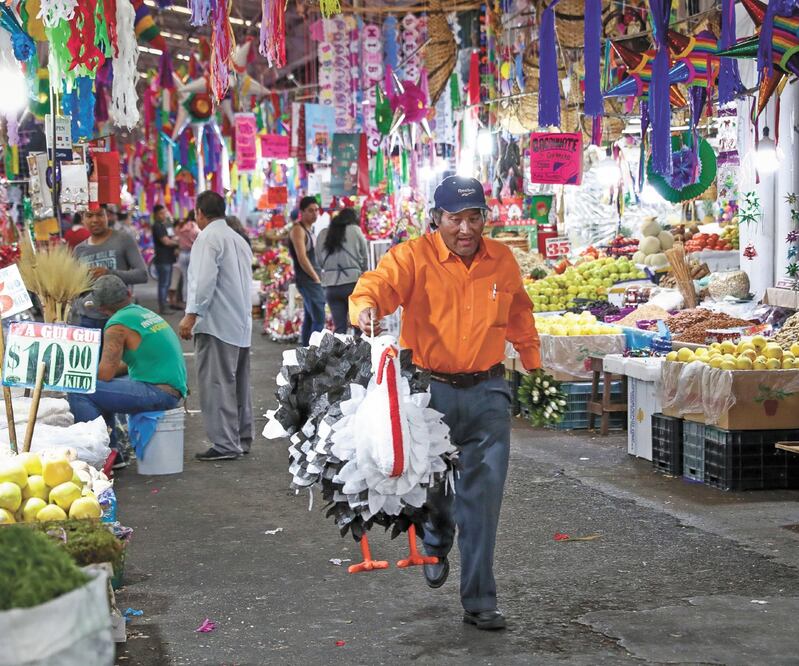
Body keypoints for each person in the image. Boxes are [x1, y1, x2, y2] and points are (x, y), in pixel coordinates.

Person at [349, 176, 541, 631]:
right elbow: (377, 284)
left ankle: (479, 599)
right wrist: (365, 309)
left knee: (483, 498)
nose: (466, 228)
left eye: (475, 217)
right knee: (434, 487)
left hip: (489, 393)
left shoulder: (503, 261)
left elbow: (518, 311)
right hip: (431, 392)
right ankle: (435, 537)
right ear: (437, 219)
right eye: (456, 218)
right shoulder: (412, 257)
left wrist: (532, 359)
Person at [68, 275, 187, 465]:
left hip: (159, 393)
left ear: (101, 308)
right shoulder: (141, 313)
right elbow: (126, 366)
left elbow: (105, 374)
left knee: (81, 389)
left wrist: (79, 373)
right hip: (171, 388)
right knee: (99, 390)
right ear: (128, 294)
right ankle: (113, 454)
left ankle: (98, 457)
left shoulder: (117, 325)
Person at [179, 191, 254, 462]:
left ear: (200, 212)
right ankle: (241, 438)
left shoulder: (208, 238)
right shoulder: (237, 238)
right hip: (239, 322)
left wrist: (191, 315)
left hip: (216, 323)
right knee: (238, 385)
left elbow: (203, 281)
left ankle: (225, 444)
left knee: (217, 384)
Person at [73, 205, 148, 329]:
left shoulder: (123, 239)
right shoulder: (79, 250)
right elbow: (76, 288)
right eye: (89, 216)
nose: (95, 220)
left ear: (107, 216)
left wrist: (109, 273)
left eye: (100, 215)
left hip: (120, 317)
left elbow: (142, 275)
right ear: (83, 219)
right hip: (88, 320)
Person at [317, 208, 368, 334]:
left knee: (339, 328)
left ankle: (339, 353)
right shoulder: (355, 231)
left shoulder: (323, 233)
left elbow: (319, 262)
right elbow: (364, 257)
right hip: (353, 284)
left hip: (331, 287)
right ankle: (360, 352)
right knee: (358, 325)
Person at [288, 196, 326, 345]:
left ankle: (305, 352)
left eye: (316, 210)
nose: (315, 214)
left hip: (312, 279)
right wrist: (315, 277)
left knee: (310, 319)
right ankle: (312, 353)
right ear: (302, 212)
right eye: (310, 211)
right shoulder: (298, 230)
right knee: (319, 319)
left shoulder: (310, 230)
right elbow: (302, 258)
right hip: (308, 280)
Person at [151, 204, 179, 315]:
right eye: (161, 213)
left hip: (167, 258)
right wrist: (178, 243)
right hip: (163, 259)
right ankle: (163, 307)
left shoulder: (165, 225)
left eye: (165, 212)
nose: (164, 215)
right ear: (156, 215)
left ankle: (165, 305)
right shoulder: (157, 226)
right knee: (163, 284)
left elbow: (171, 236)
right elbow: (166, 241)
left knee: (166, 284)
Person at [175, 212, 200, 306]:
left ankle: (185, 299)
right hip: (192, 254)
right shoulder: (194, 226)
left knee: (185, 279)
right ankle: (192, 301)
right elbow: (200, 235)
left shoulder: (181, 226)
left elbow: (176, 236)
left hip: (182, 254)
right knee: (193, 279)